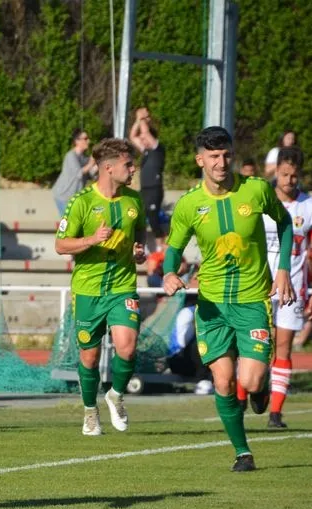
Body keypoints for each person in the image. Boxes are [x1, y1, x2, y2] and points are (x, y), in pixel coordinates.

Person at [162, 126, 295, 472]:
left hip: (252, 301)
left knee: (248, 381)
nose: (221, 163)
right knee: (223, 380)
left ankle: (260, 385)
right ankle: (242, 452)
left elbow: (284, 224)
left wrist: (282, 270)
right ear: (200, 160)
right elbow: (173, 248)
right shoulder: (190, 205)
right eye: (214, 157)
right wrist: (169, 272)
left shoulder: (256, 190)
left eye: (226, 155)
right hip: (212, 306)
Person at [54, 138, 146, 436]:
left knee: (128, 348)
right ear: (109, 167)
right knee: (89, 358)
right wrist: (92, 239)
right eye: (128, 165)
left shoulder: (134, 201)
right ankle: (90, 410)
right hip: (89, 290)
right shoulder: (82, 201)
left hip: (122, 287)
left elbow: (139, 235)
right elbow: (60, 245)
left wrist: (138, 251)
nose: (133, 169)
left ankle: (116, 395)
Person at [250, 147, 312, 429]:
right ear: (275, 171)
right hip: (256, 285)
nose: (289, 180)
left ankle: (275, 413)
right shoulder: (260, 200)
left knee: (283, 348)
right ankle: (248, 393)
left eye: (294, 175)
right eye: (284, 174)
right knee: (257, 347)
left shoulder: (311, 207)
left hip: (292, 289)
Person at [129, 108, 166, 249]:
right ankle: (140, 246)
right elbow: (133, 136)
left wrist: (142, 118)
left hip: (154, 189)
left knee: (153, 216)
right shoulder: (145, 151)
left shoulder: (157, 148)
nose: (142, 141)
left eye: (145, 139)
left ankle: (161, 245)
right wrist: (138, 120)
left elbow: (144, 132)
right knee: (137, 214)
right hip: (144, 189)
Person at [52, 128, 96, 216]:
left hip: (73, 197)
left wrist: (100, 164)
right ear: (77, 141)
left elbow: (91, 174)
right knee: (69, 225)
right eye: (85, 138)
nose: (89, 141)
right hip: (64, 196)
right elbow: (79, 173)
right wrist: (92, 162)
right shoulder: (71, 156)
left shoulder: (83, 158)